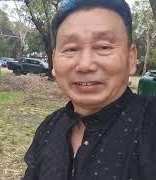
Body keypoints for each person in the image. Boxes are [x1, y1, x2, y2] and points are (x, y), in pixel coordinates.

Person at [23, 0, 156, 179]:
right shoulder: (49, 128)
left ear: (130, 58)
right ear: (54, 61)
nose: (85, 65)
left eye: (103, 47)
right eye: (71, 49)